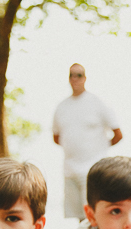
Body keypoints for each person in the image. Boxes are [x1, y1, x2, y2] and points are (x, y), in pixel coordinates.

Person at [52, 63, 123, 220]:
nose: (75, 78)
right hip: (69, 169)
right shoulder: (61, 107)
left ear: (85, 78)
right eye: (71, 75)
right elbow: (56, 137)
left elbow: (118, 134)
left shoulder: (97, 103)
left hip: (93, 169)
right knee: (79, 217)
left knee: (94, 214)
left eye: (79, 75)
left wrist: (99, 148)